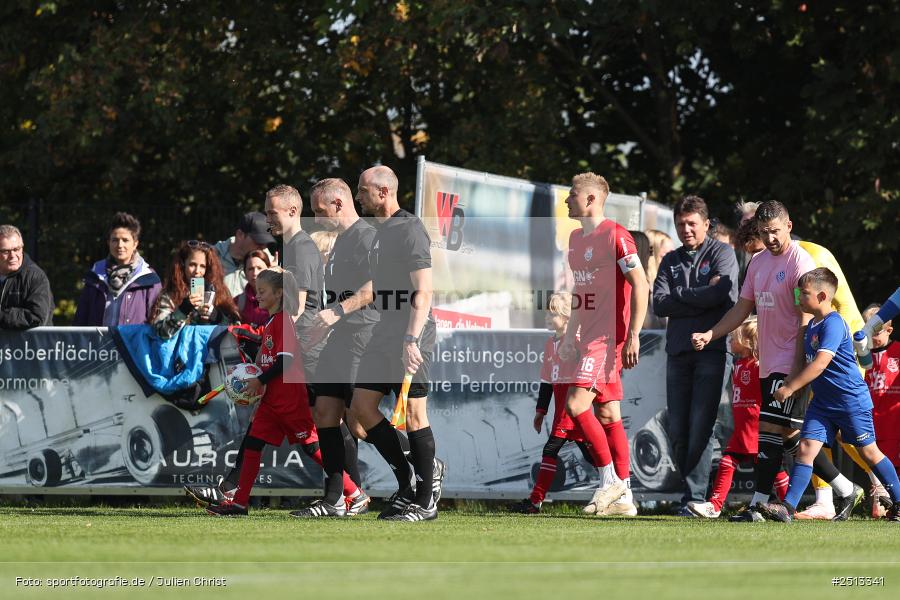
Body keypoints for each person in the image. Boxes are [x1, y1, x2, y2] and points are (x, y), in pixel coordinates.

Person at [691, 201, 860, 522]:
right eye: (764, 232)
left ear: (789, 226)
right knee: (789, 437)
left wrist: (797, 372)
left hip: (790, 362)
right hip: (768, 362)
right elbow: (742, 309)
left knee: (767, 429)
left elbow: (804, 321)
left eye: (775, 232)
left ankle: (757, 505)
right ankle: (846, 488)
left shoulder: (800, 262)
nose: (770, 238)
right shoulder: (757, 263)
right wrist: (711, 334)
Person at [205, 268, 361, 517]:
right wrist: (249, 372)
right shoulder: (271, 321)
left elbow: (286, 361)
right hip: (271, 401)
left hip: (289, 399)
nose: (257, 297)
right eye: (256, 292)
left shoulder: (283, 321)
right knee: (253, 445)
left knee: (311, 448)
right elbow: (269, 359)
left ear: (279, 293)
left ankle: (354, 492)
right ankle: (239, 504)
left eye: (263, 292)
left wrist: (259, 380)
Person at [756, 268, 900, 522]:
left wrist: (789, 388)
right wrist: (791, 379)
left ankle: (898, 500)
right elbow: (805, 361)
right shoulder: (812, 324)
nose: (798, 296)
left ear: (822, 296)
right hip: (822, 403)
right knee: (806, 448)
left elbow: (821, 362)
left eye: (804, 292)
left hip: (850, 402)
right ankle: (787, 508)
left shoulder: (834, 323)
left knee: (869, 452)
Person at [349, 165, 440, 521]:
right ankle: (408, 484)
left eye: (362, 190)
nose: (359, 197)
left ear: (384, 192)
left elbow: (425, 289)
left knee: (415, 416)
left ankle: (426, 499)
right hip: (383, 331)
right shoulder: (378, 232)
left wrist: (411, 339)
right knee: (361, 407)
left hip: (410, 334)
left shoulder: (409, 228)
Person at [290, 178, 381, 518]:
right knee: (325, 415)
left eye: (318, 209)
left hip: (364, 335)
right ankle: (334, 500)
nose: (315, 216)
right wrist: (319, 329)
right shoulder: (340, 241)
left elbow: (377, 285)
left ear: (339, 204)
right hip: (338, 338)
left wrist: (338, 311)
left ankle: (425, 462)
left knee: (359, 420)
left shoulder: (368, 236)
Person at [558, 172, 648, 516]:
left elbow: (640, 284)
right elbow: (580, 293)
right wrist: (569, 336)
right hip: (589, 338)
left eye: (572, 194)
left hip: (609, 338)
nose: (567, 199)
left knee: (577, 406)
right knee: (608, 413)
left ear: (591, 200)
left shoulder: (618, 236)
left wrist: (634, 334)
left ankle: (611, 480)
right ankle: (624, 499)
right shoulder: (575, 240)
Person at [652, 195, 738, 515]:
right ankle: (690, 495)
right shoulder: (670, 260)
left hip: (712, 350)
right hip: (678, 351)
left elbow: (722, 294)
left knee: (702, 424)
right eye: (680, 224)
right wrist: (700, 297)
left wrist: (681, 298)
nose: (686, 229)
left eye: (691, 223)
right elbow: (658, 303)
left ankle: (696, 498)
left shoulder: (723, 252)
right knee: (677, 427)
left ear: (706, 223)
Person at [507, 292, 605, 515]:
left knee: (551, 450)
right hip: (561, 412)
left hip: (574, 412)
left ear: (568, 317)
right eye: (548, 313)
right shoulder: (551, 344)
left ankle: (535, 501)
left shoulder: (579, 343)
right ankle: (615, 485)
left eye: (553, 313)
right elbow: (547, 381)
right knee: (590, 455)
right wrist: (541, 411)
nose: (548, 317)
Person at [687, 318, 789, 517]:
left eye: (735, 337)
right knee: (727, 461)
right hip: (741, 429)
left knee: (772, 468)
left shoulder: (761, 366)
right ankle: (714, 506)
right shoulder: (739, 364)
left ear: (750, 342)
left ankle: (788, 504)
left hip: (756, 428)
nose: (731, 340)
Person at [263, 185, 324, 396]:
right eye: (266, 213)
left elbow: (297, 306)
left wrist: (278, 340)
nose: (268, 219)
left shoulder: (301, 247)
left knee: (323, 417)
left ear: (292, 210)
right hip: (301, 342)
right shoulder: (290, 246)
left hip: (308, 345)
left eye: (272, 213)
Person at [74, 212, 161, 326]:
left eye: (125, 240)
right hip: (99, 343)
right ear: (108, 243)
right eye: (115, 240)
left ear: (135, 244)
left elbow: (157, 323)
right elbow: (81, 319)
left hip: (133, 343)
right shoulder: (95, 275)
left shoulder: (149, 279)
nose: (120, 245)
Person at [151, 240, 240, 339]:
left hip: (211, 352)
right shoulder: (171, 294)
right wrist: (183, 309)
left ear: (208, 268)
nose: (197, 271)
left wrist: (216, 316)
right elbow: (161, 333)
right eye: (192, 265)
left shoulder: (219, 292)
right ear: (183, 265)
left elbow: (237, 328)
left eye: (202, 266)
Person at [863, 303, 899, 517]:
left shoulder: (898, 352)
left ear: (889, 330)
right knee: (878, 463)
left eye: (877, 330)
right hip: (872, 422)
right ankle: (882, 503)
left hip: (894, 421)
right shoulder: (863, 355)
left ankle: (894, 505)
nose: (872, 335)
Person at [0, 224, 53, 329]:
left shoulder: (36, 277)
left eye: (16, 249)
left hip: (29, 345)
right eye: (6, 251)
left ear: (22, 247)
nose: (13, 256)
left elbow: (37, 317)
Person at [213, 212, 276, 298]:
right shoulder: (212, 255)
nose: (263, 247)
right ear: (240, 235)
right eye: (258, 241)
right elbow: (195, 281)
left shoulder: (270, 265)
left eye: (265, 243)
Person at [234, 249, 272, 328]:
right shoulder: (237, 302)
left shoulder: (279, 299)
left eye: (259, 268)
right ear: (245, 273)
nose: (255, 273)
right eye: (250, 269)